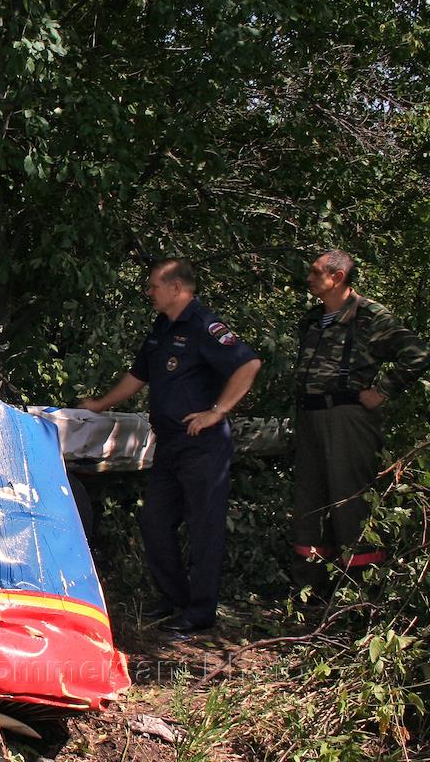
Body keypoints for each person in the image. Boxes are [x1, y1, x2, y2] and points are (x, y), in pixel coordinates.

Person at [80, 259, 261, 633]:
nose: (149, 292)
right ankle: (174, 600)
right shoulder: (162, 328)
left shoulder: (204, 327)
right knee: (155, 523)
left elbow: (249, 364)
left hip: (203, 445)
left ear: (176, 288)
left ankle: (199, 613)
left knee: (203, 529)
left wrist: (217, 411)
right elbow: (137, 376)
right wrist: (99, 405)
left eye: (154, 286)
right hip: (169, 445)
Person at [291, 249, 430, 595]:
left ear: (336, 277)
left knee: (349, 502)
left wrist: (382, 390)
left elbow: (418, 354)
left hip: (348, 418)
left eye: (315, 272)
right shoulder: (311, 319)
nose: (308, 279)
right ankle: (310, 593)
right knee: (310, 501)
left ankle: (359, 596)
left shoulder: (369, 316)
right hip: (310, 417)